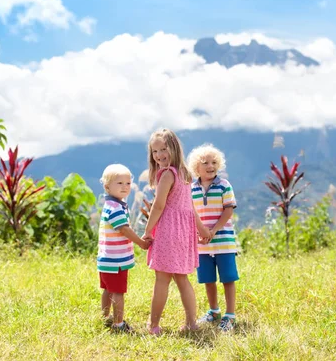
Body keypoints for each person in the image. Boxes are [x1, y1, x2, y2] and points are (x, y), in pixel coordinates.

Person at [142, 128, 210, 335]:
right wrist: (202, 230)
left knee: (162, 279)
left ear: (174, 148)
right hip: (184, 233)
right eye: (155, 152)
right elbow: (190, 207)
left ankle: (153, 325)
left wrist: (147, 231)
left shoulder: (167, 175)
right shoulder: (184, 174)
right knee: (182, 278)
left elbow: (159, 205)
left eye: (163, 149)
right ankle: (191, 323)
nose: (159, 155)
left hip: (168, 231)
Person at [188, 144, 239, 332]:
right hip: (202, 244)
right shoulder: (191, 189)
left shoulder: (224, 185)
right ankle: (214, 311)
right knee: (208, 279)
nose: (211, 166)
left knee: (228, 278)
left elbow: (228, 211)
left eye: (214, 162)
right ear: (196, 168)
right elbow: (190, 214)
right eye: (205, 163)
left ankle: (230, 315)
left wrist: (214, 230)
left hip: (224, 242)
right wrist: (199, 233)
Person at [97, 164, 150, 333]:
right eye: (119, 183)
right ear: (107, 186)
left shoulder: (113, 205)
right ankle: (118, 324)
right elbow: (124, 229)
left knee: (107, 289)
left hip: (106, 259)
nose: (125, 187)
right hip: (116, 260)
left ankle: (105, 318)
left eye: (127, 183)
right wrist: (141, 242)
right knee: (118, 292)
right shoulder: (115, 208)